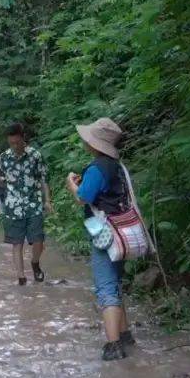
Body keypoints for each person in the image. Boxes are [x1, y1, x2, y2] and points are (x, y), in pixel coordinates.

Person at [65, 118, 134, 361]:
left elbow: (83, 197)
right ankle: (125, 335)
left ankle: (113, 345)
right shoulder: (117, 166)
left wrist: (71, 185)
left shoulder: (96, 168)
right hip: (122, 231)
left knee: (105, 287)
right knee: (115, 283)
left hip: (104, 232)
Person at [0, 122, 52, 285]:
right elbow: (2, 182)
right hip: (12, 207)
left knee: (38, 240)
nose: (15, 146)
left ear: (24, 139)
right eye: (11, 143)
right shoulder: (4, 158)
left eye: (17, 142)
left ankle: (35, 262)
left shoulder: (35, 156)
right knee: (16, 243)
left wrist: (48, 201)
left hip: (33, 204)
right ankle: (21, 277)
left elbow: (44, 179)